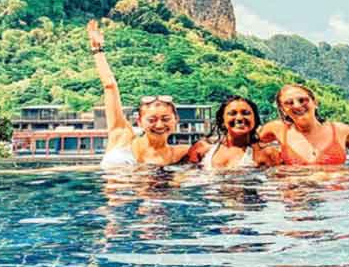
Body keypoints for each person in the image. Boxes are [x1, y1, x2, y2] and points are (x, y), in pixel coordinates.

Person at [89, 20, 194, 168]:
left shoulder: (182, 154)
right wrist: (97, 50)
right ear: (139, 121)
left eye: (165, 119)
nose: (159, 125)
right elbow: (109, 85)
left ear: (176, 120)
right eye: (152, 119)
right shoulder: (122, 136)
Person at [189, 95, 279, 170]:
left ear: (255, 119)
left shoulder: (266, 153)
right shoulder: (202, 149)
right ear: (222, 120)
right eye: (232, 113)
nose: (239, 118)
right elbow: (185, 176)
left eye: (246, 113)